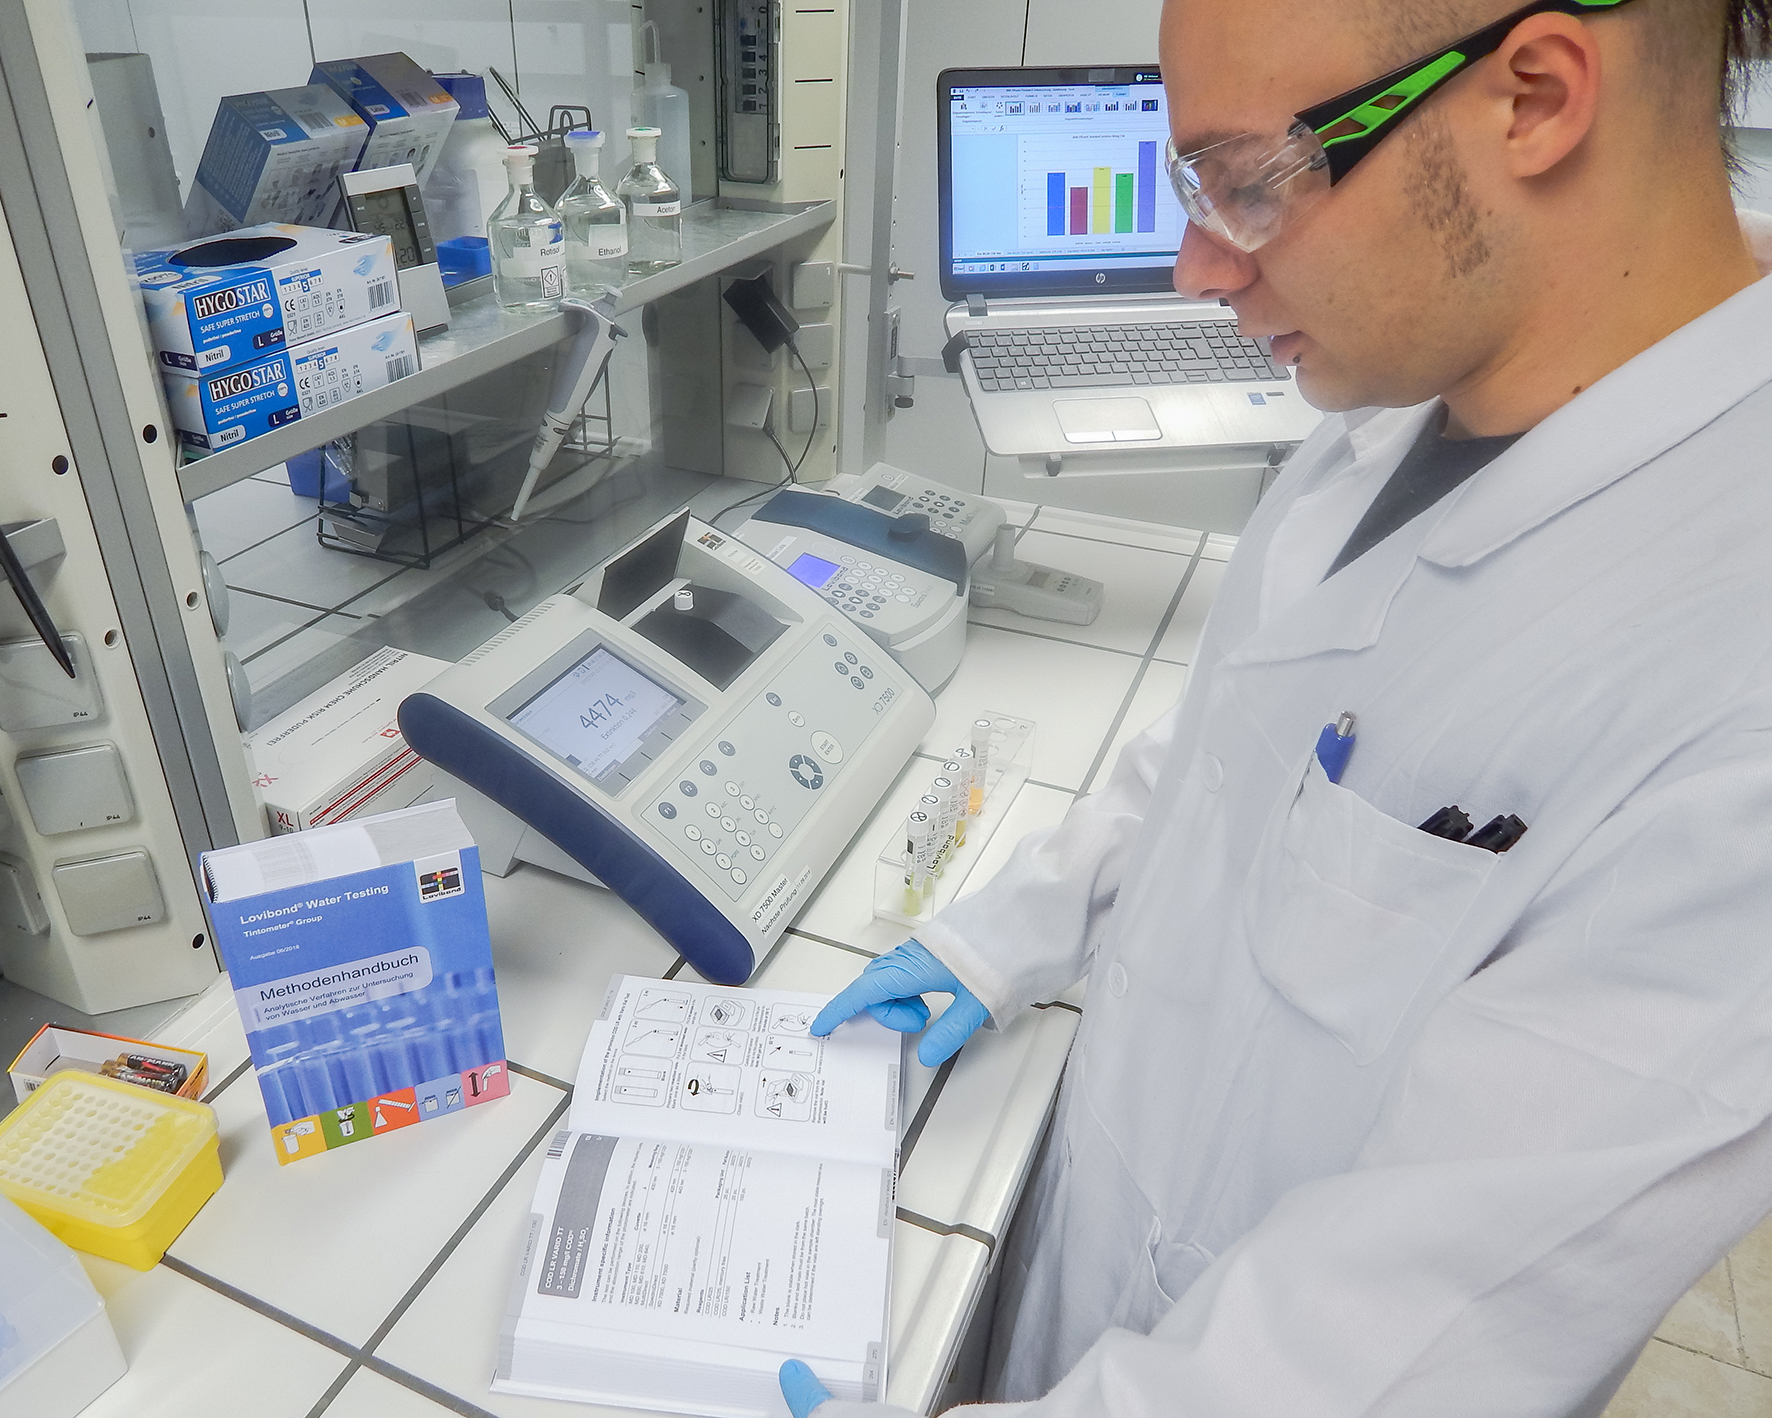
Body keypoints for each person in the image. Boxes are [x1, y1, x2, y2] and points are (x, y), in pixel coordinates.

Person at [783, 0, 1772, 1414]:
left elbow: (1413, 1327)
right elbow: (1231, 757)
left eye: (1251, 183)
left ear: (1538, 97)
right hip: (1095, 1226)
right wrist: (1011, 928)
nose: (1196, 269)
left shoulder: (1734, 679)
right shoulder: (1404, 399)